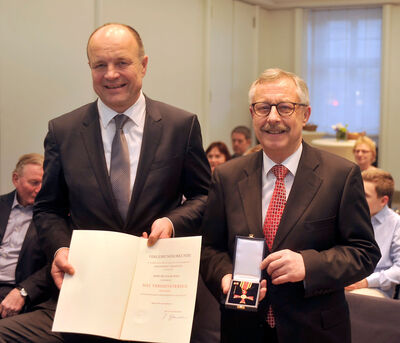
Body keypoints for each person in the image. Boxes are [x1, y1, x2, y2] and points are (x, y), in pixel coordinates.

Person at [0, 23, 210, 343]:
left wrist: (171, 221)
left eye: (122, 62)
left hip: (156, 296)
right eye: (100, 65)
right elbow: (48, 208)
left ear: (144, 64)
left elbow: (203, 196)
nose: (111, 74)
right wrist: (59, 248)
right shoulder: (64, 131)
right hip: (86, 292)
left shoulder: (180, 126)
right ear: (90, 69)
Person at [200, 68, 380, 343]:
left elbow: (364, 252)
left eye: (285, 107)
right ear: (252, 114)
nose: (273, 117)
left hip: (314, 331)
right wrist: (224, 276)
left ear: (305, 114)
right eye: (263, 108)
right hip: (243, 330)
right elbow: (210, 248)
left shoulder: (340, 176)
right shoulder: (227, 176)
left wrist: (309, 264)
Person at [0, 154, 49, 319]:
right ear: (16, 179)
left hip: (16, 290)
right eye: (34, 183)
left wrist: (23, 290)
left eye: (44, 183)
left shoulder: (52, 217)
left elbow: (53, 266)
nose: (40, 189)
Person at [346, 168, 400, 298]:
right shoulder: (349, 217)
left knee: (350, 300)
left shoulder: (396, 224)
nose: (357, 199)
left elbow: (399, 269)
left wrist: (366, 282)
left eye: (364, 195)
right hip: (345, 282)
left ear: (383, 201)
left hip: (374, 289)